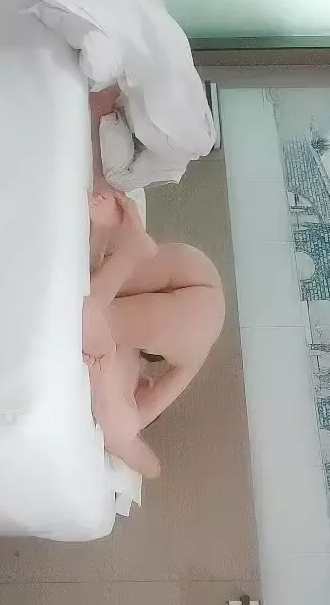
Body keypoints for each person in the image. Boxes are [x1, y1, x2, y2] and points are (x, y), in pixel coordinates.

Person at [83, 88, 226, 477]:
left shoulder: (143, 362)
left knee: (98, 274)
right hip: (190, 323)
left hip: (198, 272)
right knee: (92, 311)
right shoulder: (138, 391)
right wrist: (131, 424)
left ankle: (100, 121)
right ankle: (127, 245)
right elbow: (151, 468)